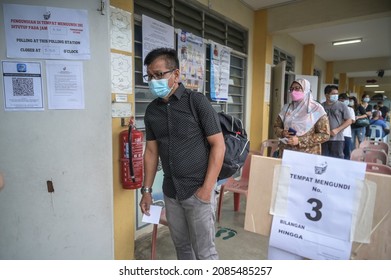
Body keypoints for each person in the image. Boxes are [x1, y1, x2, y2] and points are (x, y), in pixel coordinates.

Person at [139, 48, 225, 260]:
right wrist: (147, 190)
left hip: (198, 190)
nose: (153, 80)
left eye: (159, 74)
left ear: (176, 75)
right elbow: (151, 152)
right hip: (171, 192)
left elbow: (218, 145)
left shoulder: (196, 102)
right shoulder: (152, 111)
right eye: (149, 76)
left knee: (205, 253)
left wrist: (206, 190)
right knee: (183, 249)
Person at [273, 78, 330, 156]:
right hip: (286, 152)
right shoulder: (286, 108)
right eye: (292, 89)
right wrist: (283, 133)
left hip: (307, 154)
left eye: (297, 88)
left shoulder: (316, 109)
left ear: (306, 90)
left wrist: (300, 140)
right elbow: (276, 127)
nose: (293, 91)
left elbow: (325, 135)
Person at [321, 85, 352, 158]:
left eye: (336, 94)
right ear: (326, 95)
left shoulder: (342, 105)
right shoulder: (321, 106)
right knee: (323, 159)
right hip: (323, 138)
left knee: (336, 159)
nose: (336, 95)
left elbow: (349, 120)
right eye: (333, 94)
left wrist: (337, 130)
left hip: (337, 139)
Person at [338, 93, 355, 159]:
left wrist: (345, 121)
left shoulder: (350, 109)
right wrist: (346, 120)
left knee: (346, 152)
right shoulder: (335, 108)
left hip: (346, 134)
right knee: (338, 152)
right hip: (337, 134)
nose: (344, 102)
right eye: (342, 100)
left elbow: (352, 120)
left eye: (346, 100)